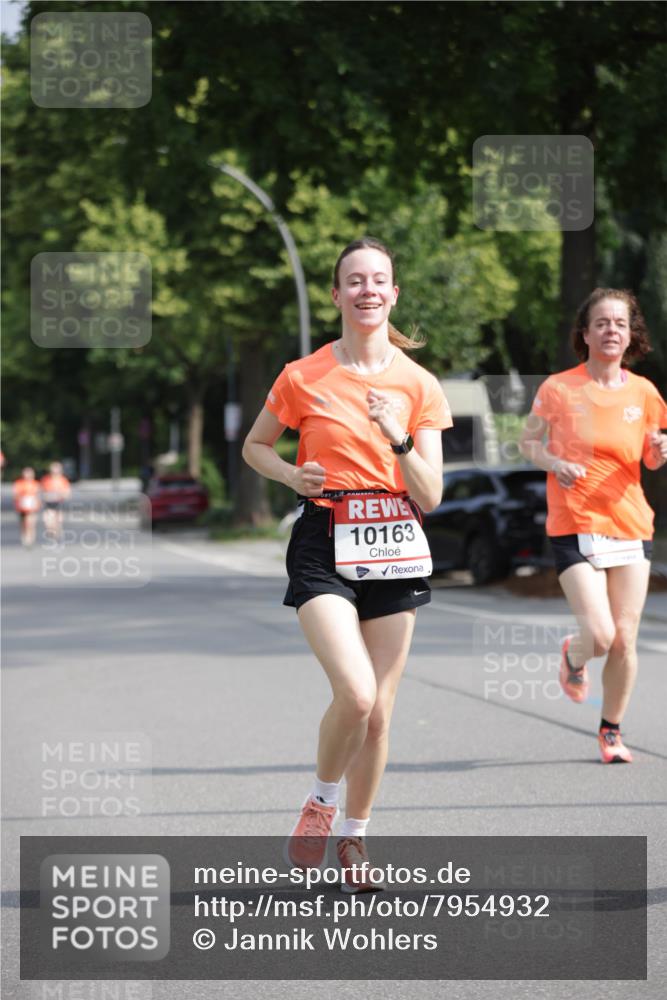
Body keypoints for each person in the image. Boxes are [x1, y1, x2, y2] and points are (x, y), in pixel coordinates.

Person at [242, 237, 451, 890]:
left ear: (393, 294)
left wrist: (396, 435)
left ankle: (354, 841)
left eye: (378, 280)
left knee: (381, 711)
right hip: (324, 538)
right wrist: (287, 474)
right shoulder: (301, 375)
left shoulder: (419, 385)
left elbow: (431, 493)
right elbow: (253, 445)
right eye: (353, 280)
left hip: (394, 541)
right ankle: (320, 801)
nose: (366, 290)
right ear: (336, 295)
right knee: (355, 694)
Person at [520, 288, 667, 763]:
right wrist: (553, 460)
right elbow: (528, 444)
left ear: (631, 335)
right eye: (601, 323)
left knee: (625, 639)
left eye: (620, 324)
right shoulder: (559, 388)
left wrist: (660, 453)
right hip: (575, 523)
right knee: (600, 635)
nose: (611, 331)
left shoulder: (644, 393)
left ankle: (611, 731)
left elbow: (649, 452)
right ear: (584, 334)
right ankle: (575, 655)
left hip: (629, 524)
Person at [40, 461, 71, 541]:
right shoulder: (45, 479)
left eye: (57, 469)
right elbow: (40, 492)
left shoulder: (63, 480)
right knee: (48, 522)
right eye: (53, 469)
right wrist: (45, 496)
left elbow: (67, 493)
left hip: (59, 503)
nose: (55, 471)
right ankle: (51, 531)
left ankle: (57, 534)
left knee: (58, 521)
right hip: (48, 503)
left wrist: (61, 494)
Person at [13, 467, 42, 547]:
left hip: (32, 507)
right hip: (22, 507)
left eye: (29, 473)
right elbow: (15, 495)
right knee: (23, 523)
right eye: (26, 473)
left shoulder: (36, 484)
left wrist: (36, 502)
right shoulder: (19, 483)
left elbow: (38, 495)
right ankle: (24, 536)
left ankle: (30, 539)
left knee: (31, 523)